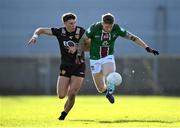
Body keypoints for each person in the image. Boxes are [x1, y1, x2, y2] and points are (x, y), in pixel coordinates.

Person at [77, 13, 159, 104]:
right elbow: (82, 39)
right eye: (106, 26)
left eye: (110, 27)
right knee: (100, 88)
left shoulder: (117, 28)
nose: (108, 29)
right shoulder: (94, 28)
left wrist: (146, 47)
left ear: (113, 24)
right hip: (94, 59)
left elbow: (133, 38)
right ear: (102, 23)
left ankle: (110, 93)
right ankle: (106, 92)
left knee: (111, 76)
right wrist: (79, 54)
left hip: (107, 57)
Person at [28, 12, 86, 120]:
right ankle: (67, 97)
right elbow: (40, 30)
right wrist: (35, 36)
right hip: (65, 66)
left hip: (79, 65)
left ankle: (63, 115)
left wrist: (77, 47)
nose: (73, 25)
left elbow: (89, 44)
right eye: (70, 23)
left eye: (74, 23)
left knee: (72, 93)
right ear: (65, 23)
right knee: (61, 95)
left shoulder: (81, 31)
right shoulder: (60, 32)